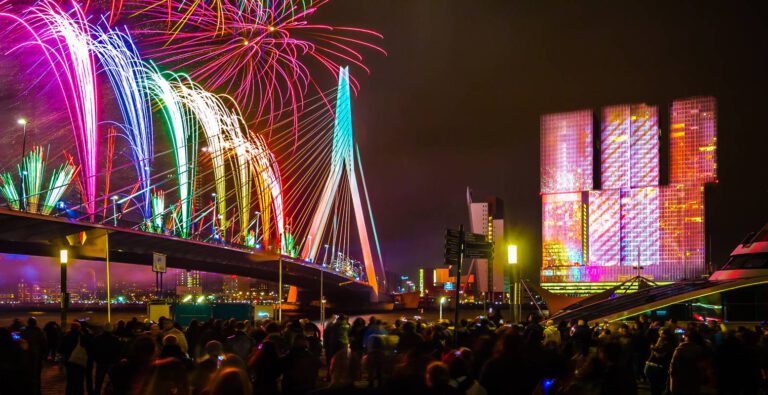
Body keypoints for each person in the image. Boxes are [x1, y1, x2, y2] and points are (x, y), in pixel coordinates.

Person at [669, 329, 706, 395]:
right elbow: (702, 365)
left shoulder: (680, 349)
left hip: (681, 377)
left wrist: (672, 378)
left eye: (685, 336)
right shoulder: (700, 349)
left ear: (687, 338)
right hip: (694, 376)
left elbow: (673, 365)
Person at [59, 322, 89, 395]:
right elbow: (87, 347)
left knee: (70, 380)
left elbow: (60, 349)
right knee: (80, 381)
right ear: (79, 328)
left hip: (69, 360)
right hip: (79, 361)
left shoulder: (66, 336)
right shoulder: (82, 336)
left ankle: (69, 392)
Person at [92, 323, 122, 395]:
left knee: (98, 383)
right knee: (114, 381)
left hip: (101, 362)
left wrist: (96, 359)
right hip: (111, 362)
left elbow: (94, 350)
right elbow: (119, 350)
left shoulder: (98, 338)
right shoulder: (115, 339)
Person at [21, 317, 47, 395]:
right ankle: (36, 389)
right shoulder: (39, 331)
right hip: (37, 355)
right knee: (37, 373)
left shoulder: (24, 331)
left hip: (26, 355)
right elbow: (44, 344)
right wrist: (43, 355)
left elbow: (20, 343)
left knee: (27, 373)